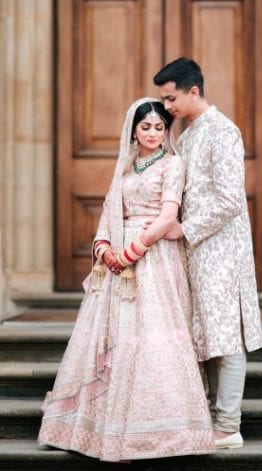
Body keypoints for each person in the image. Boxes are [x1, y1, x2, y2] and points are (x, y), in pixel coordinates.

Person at [37, 98, 215, 462]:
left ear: (167, 131)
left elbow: (168, 215)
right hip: (117, 261)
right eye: (146, 127)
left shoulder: (173, 164)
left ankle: (157, 432)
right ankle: (94, 430)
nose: (152, 133)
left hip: (154, 257)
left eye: (159, 127)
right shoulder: (125, 168)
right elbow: (108, 212)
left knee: (153, 335)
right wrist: (104, 248)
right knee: (112, 337)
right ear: (133, 129)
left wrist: (133, 251)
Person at [152, 57, 262, 449]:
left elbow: (231, 199)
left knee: (225, 337)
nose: (167, 107)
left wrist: (187, 228)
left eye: (170, 99)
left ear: (193, 90)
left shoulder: (223, 131)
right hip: (193, 251)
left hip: (222, 250)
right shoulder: (186, 136)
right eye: (164, 100)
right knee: (201, 336)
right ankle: (207, 417)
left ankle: (229, 426)